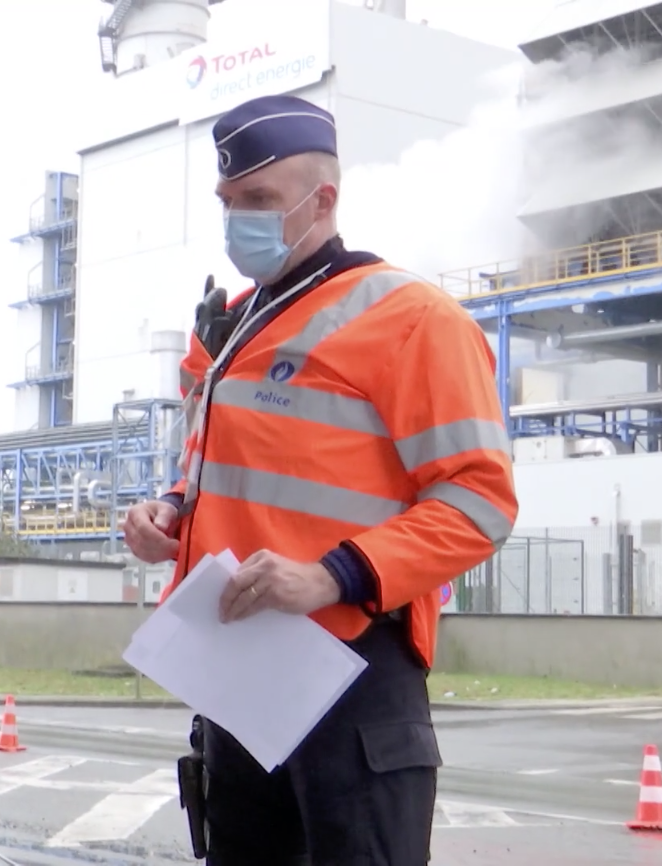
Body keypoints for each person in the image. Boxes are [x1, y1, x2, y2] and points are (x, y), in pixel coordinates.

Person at [122, 94, 518, 866]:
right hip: (241, 677)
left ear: (323, 199)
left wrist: (331, 575)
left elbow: (480, 501)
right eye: (230, 202)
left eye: (260, 201)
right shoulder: (234, 326)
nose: (240, 219)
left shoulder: (412, 320)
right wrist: (170, 511)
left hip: (353, 671)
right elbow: (216, 466)